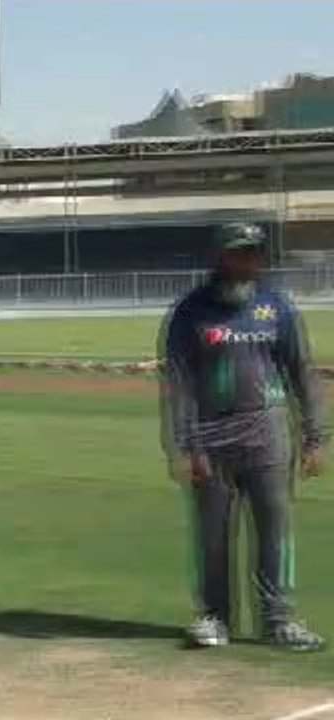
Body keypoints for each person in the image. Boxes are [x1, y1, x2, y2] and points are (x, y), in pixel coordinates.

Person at [159, 221, 326, 651]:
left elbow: (301, 372)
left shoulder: (277, 307)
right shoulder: (191, 311)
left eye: (254, 252)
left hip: (268, 435)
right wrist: (187, 446)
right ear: (220, 256)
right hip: (211, 438)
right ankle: (215, 618)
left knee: (274, 531)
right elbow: (180, 383)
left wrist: (314, 436)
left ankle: (279, 620)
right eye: (239, 252)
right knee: (213, 536)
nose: (248, 260)